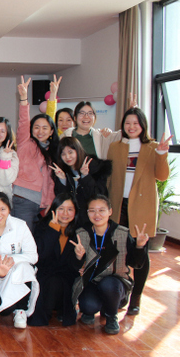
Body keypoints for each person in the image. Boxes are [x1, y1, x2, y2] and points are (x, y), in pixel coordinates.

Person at [106, 107, 170, 315]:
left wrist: (162, 154)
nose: (131, 127)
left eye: (135, 123)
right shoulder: (115, 147)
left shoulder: (153, 147)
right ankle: (123, 290)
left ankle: (136, 297)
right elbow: (109, 178)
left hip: (142, 206)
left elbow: (162, 176)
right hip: (118, 205)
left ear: (143, 125)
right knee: (119, 252)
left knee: (141, 250)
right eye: (127, 123)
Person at [73, 195, 149, 335]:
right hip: (92, 282)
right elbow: (74, 266)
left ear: (110, 211)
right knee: (88, 307)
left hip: (116, 282)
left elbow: (136, 264)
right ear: (87, 213)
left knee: (108, 284)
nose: (97, 215)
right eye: (92, 211)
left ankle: (111, 316)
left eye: (101, 210)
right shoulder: (81, 233)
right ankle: (101, 305)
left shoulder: (122, 233)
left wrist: (139, 246)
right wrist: (78, 257)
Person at [0, 192, 39, 329]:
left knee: (25, 267)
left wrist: (9, 262)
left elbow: (33, 256)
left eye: (3, 209)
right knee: (5, 311)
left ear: (9, 209)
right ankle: (3, 304)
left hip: (16, 272)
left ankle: (21, 310)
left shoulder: (20, 226)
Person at [28, 193, 85, 327]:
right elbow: (40, 256)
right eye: (61, 209)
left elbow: (75, 268)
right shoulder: (42, 226)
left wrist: (78, 257)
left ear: (75, 212)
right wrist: (53, 231)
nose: (65, 213)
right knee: (51, 282)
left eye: (70, 209)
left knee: (58, 282)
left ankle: (60, 309)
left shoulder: (80, 231)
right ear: (53, 210)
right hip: (44, 275)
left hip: (66, 279)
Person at [12, 76, 60, 233]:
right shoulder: (25, 142)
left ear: (51, 131)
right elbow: (23, 121)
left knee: (37, 241)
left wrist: (50, 201)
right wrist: (24, 99)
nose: (40, 131)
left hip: (43, 204)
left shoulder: (53, 150)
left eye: (45, 128)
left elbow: (51, 181)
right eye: (36, 127)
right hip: (23, 200)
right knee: (24, 240)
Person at [51, 137, 112, 223]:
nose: (67, 157)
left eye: (70, 152)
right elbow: (62, 200)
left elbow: (98, 197)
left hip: (92, 218)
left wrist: (85, 176)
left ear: (78, 151)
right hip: (71, 219)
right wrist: (62, 180)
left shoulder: (95, 168)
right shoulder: (62, 171)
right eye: (63, 154)